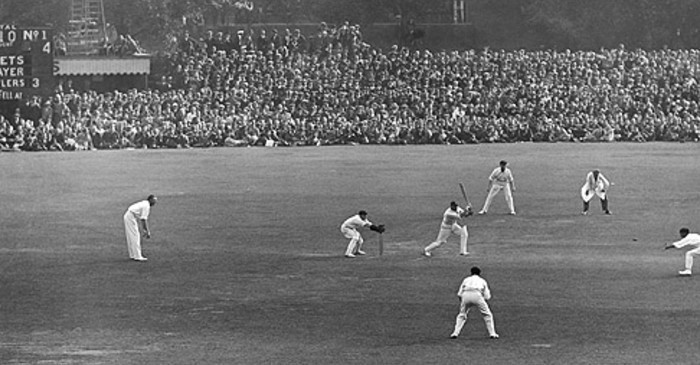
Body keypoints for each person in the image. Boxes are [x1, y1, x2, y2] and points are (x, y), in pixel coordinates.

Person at [450, 266, 499, 339]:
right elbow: (487, 296)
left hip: (465, 295)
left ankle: (455, 333)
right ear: (479, 273)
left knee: (462, 314)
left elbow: (459, 294)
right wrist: (481, 300)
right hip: (477, 294)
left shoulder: (466, 279)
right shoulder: (482, 280)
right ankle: (492, 333)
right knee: (487, 314)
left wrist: (463, 301)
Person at [124, 195, 157, 261]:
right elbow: (143, 219)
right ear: (150, 200)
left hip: (129, 215)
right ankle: (137, 256)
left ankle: (133, 255)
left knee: (131, 236)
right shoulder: (146, 206)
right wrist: (147, 231)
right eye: (154, 200)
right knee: (135, 236)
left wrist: (145, 230)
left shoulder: (145, 203)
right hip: (130, 216)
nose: (155, 202)